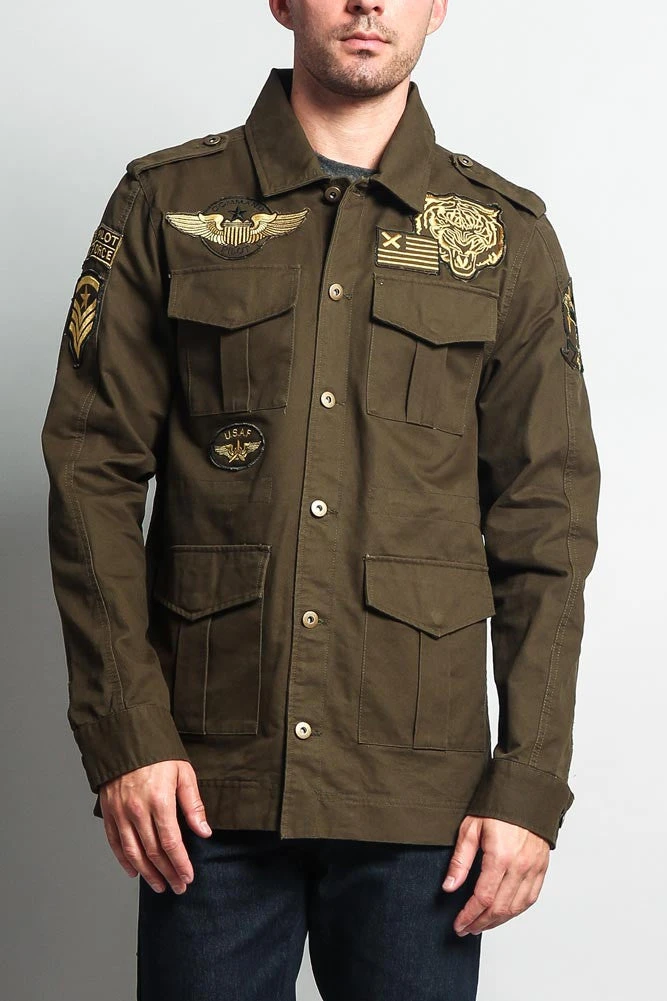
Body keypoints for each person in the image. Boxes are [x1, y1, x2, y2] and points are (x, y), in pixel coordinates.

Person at [40, 1, 601, 998]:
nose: (367, 3)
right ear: (281, 0)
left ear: (438, 6)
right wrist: (126, 732)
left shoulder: (504, 236)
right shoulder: (168, 201)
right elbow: (91, 470)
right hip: (203, 785)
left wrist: (529, 779)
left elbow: (545, 524)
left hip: (420, 799)